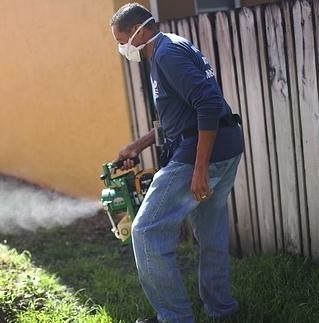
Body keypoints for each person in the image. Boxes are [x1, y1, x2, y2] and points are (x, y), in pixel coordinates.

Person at [110, 3, 244, 323]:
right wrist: (137, 145)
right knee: (210, 231)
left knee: (146, 231)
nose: (121, 48)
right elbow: (180, 114)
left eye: (121, 39)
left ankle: (175, 318)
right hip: (227, 146)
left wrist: (199, 170)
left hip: (201, 156)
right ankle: (221, 310)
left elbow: (207, 103)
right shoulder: (172, 45)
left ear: (139, 31)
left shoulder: (165, 55)